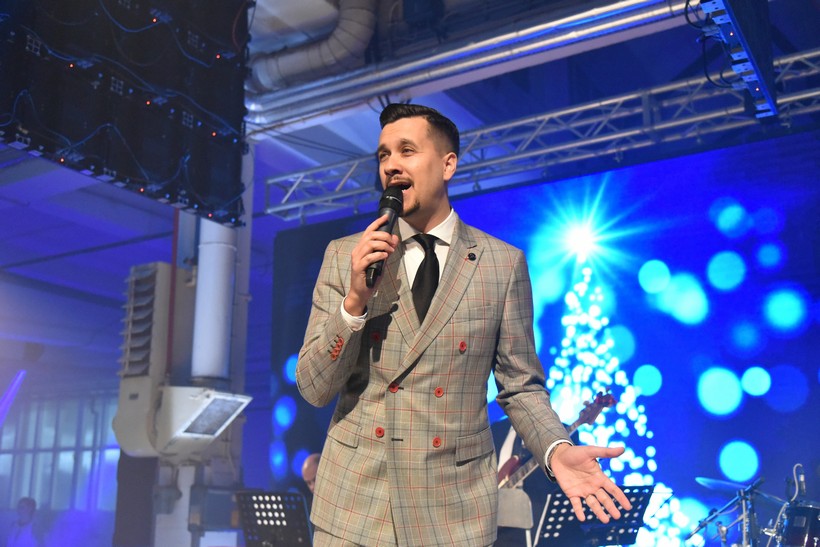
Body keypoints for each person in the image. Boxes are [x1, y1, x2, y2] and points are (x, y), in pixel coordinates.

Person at [296, 103, 631, 546]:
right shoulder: (346, 256)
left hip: (453, 514)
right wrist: (354, 301)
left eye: (407, 150)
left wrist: (556, 449)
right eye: (383, 155)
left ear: (448, 164)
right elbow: (315, 388)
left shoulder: (500, 265)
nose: (391, 165)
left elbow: (521, 386)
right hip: (356, 510)